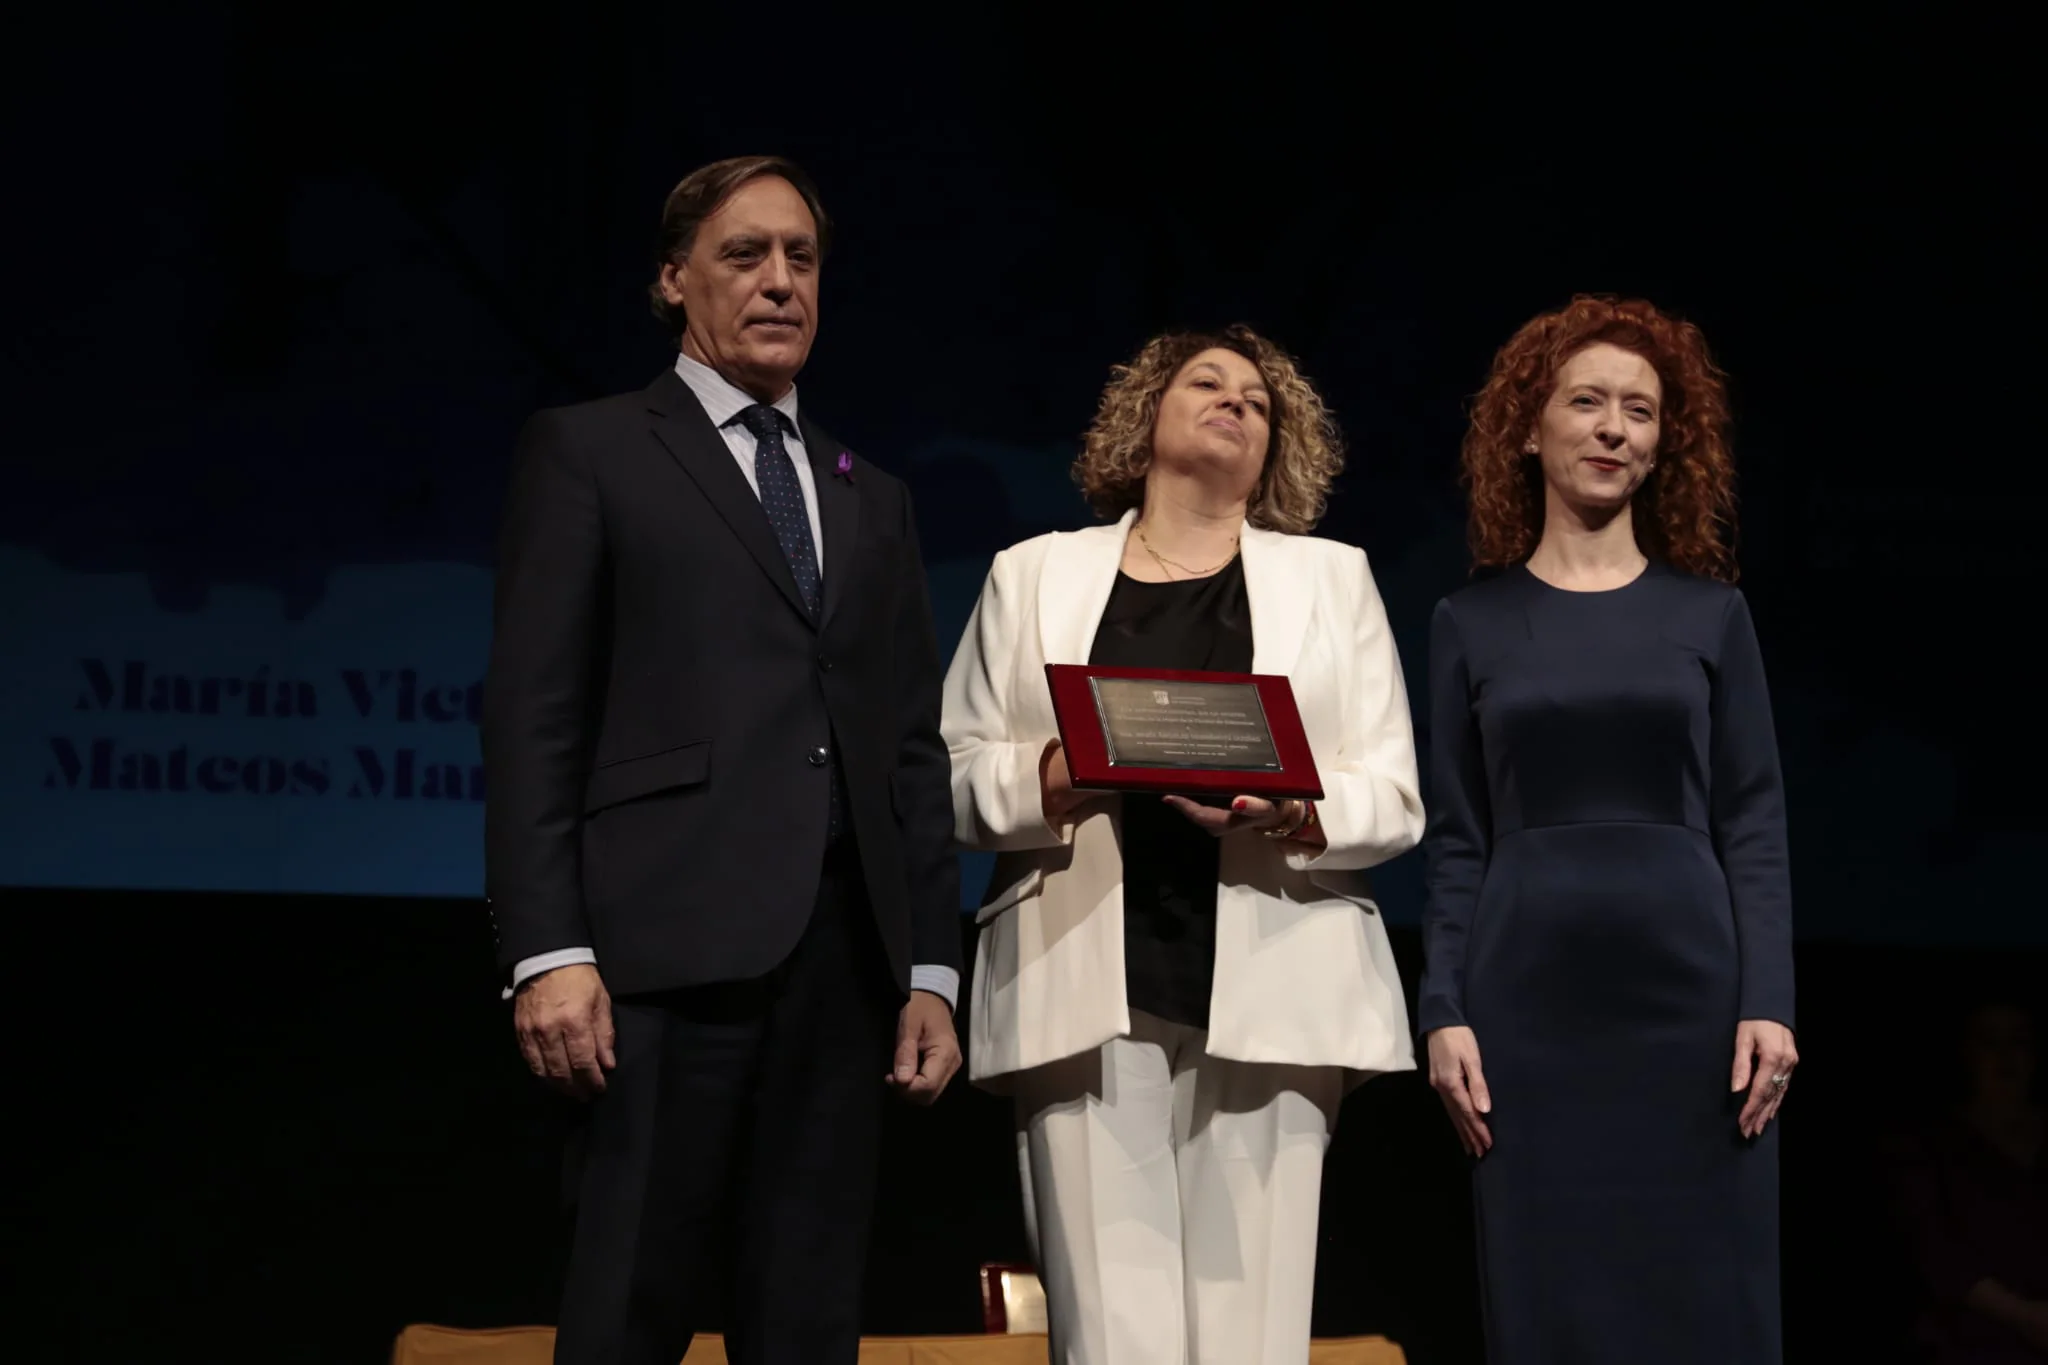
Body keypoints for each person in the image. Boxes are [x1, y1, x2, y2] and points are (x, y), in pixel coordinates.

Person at [481, 155, 963, 1365]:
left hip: (840, 974)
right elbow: (534, 716)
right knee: (626, 1306)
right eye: (745, 254)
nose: (779, 281)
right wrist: (549, 948)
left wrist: (931, 969)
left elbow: (908, 746)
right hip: (651, 963)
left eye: (800, 258)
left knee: (805, 1321)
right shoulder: (589, 450)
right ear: (672, 280)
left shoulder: (873, 497)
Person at [942, 325, 1424, 1364]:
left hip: (1278, 985)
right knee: (1112, 1339)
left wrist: (1292, 810)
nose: (1235, 402)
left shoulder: (1331, 581)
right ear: (1142, 419)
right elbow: (953, 771)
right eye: (1206, 382)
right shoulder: (1032, 575)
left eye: (1258, 399)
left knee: (1250, 1343)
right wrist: (1050, 778)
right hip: (1079, 982)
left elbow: (1391, 797)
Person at [1418, 294, 1799, 1364]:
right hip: (1525, 1003)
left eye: (1637, 409)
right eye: (1584, 402)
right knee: (1550, 1297)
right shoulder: (1468, 622)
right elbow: (1455, 838)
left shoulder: (1709, 614)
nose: (1610, 427)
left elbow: (1752, 819)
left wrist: (1767, 999)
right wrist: (1440, 1004)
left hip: (1690, 1000)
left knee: (1703, 1297)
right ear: (1527, 428)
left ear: (1661, 442)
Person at [1890, 997, 2048, 1362]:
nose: (2005, 1056)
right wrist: (2026, 1317)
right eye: (1990, 1042)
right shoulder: (1926, 1146)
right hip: (1966, 1344)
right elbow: (1932, 1249)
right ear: (1966, 1053)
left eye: (2018, 1041)